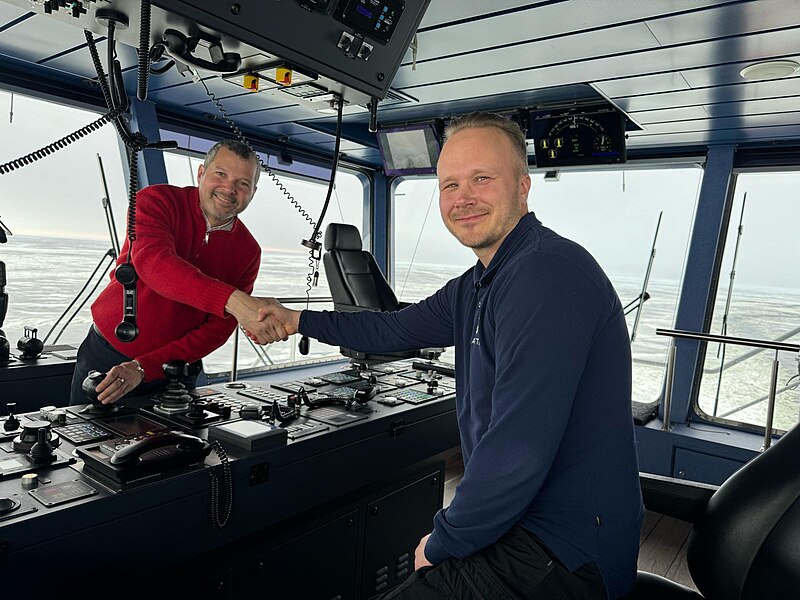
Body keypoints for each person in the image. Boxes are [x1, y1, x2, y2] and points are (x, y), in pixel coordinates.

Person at [254, 113, 644, 599]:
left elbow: (518, 446)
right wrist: (295, 320)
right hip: (521, 527)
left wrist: (445, 540)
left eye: (482, 179)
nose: (463, 197)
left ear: (523, 187)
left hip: (565, 551)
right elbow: (393, 326)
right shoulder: (480, 283)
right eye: (449, 184)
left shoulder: (546, 273)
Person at [69, 139, 284, 406]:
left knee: (175, 448)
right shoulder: (155, 201)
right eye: (221, 174)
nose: (229, 188)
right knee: (82, 444)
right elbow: (154, 264)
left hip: (177, 375)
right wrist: (235, 301)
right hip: (107, 358)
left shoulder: (249, 251)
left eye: (243, 183)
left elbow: (216, 331)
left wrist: (145, 367)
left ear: (253, 191)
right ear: (201, 173)